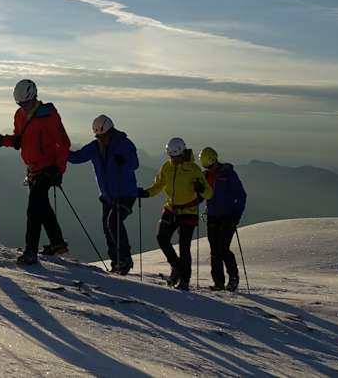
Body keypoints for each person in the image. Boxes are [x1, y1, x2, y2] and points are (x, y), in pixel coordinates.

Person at [0, 79, 71, 266]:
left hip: (48, 169)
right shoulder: (20, 115)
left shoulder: (49, 115)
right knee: (42, 206)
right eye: (20, 104)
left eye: (25, 103)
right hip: (33, 169)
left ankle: (30, 251)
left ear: (34, 97)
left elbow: (63, 143)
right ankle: (57, 242)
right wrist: (2, 140)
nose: (23, 107)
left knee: (34, 208)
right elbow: (19, 140)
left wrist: (59, 169)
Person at [138, 137, 212, 290]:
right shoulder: (167, 166)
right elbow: (159, 185)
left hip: (188, 211)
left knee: (184, 247)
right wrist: (146, 193)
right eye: (171, 156)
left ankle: (184, 279)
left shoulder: (194, 169)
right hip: (171, 208)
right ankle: (177, 267)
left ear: (183, 152)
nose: (174, 159)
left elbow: (209, 193)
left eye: (176, 156)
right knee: (161, 238)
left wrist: (201, 189)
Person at [68, 114, 139, 274]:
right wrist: (59, 150)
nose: (101, 139)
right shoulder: (95, 147)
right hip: (108, 197)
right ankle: (116, 263)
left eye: (104, 136)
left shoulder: (124, 144)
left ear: (111, 132)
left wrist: (124, 162)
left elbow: (134, 163)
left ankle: (125, 259)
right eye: (98, 136)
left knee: (113, 222)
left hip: (126, 194)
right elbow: (77, 157)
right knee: (108, 228)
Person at [200, 147, 247, 291]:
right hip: (214, 217)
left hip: (227, 217)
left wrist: (236, 215)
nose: (208, 168)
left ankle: (232, 278)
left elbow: (241, 195)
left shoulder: (228, 174)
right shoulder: (207, 175)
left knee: (222, 248)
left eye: (209, 165)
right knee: (215, 250)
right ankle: (219, 282)